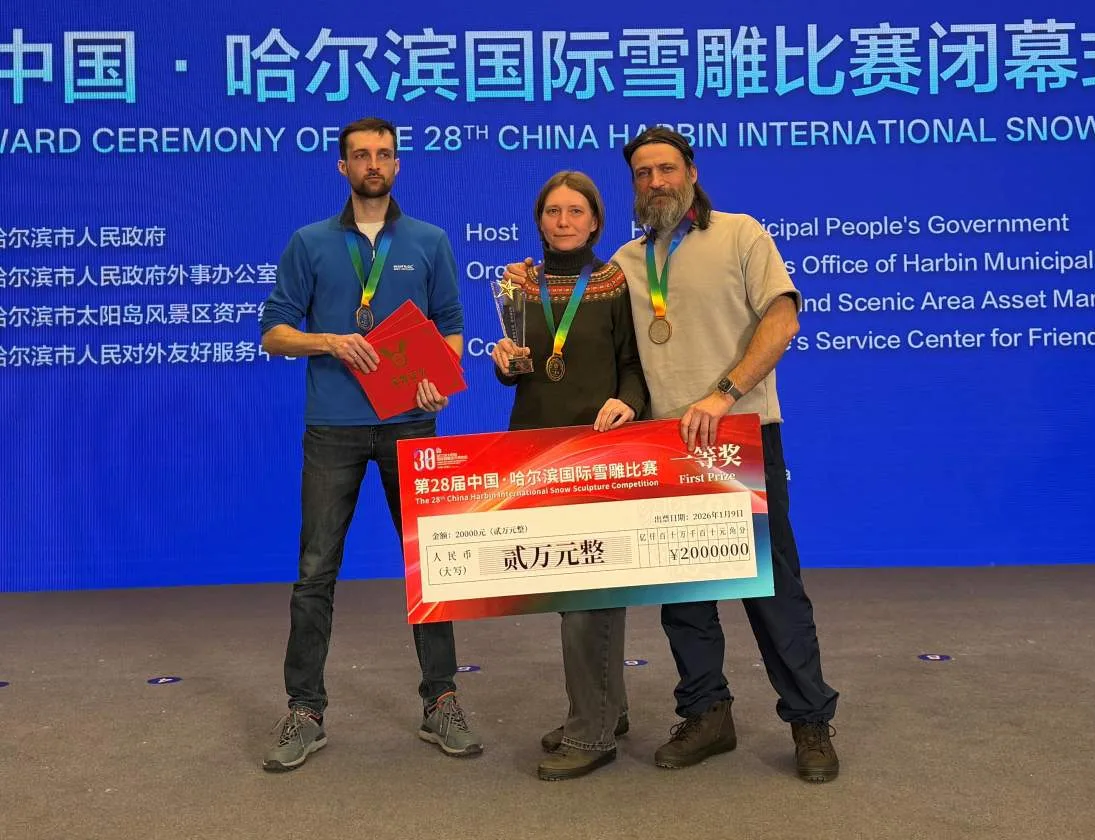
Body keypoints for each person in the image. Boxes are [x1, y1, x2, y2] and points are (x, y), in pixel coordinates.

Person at [504, 128, 840, 782]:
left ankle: (808, 720)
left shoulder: (741, 234)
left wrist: (723, 394)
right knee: (683, 598)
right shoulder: (625, 263)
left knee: (771, 590)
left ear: (690, 171)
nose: (654, 182)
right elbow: (579, 320)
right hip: (662, 445)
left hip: (737, 433)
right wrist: (525, 295)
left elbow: (782, 322)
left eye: (665, 169)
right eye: (641, 174)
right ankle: (706, 713)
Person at [259, 116, 481, 772]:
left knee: (429, 565)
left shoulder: (429, 241)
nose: (373, 164)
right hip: (332, 426)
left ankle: (441, 699)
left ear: (397, 163)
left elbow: (450, 327)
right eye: (360, 155)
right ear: (343, 166)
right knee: (315, 571)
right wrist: (329, 341)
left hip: (411, 424)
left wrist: (440, 382)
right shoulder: (309, 242)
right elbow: (273, 332)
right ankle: (305, 710)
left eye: (383, 153)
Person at [490, 171, 648, 781]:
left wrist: (628, 401)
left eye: (575, 211)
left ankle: (590, 733)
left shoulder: (613, 283)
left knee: (589, 593)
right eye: (553, 211)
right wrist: (505, 362)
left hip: (600, 451)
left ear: (596, 221)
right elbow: (518, 365)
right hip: (537, 451)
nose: (563, 221)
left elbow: (634, 364)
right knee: (575, 592)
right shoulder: (518, 284)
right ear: (539, 219)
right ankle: (607, 709)